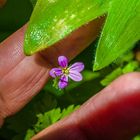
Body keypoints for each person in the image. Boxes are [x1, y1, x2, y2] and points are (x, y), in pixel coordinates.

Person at [0, 3, 140, 140]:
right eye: (65, 70)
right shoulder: (61, 70)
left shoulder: (63, 69)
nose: (66, 71)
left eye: (66, 70)